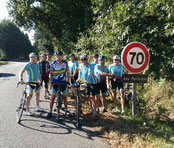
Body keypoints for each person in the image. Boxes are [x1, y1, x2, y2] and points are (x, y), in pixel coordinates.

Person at [47, 51, 70, 118]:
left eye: (59, 57)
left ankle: (66, 109)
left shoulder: (65, 62)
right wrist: (50, 82)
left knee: (65, 97)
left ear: (62, 56)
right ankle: (50, 110)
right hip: (55, 82)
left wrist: (68, 81)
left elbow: (68, 72)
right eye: (57, 57)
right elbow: (50, 74)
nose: (58, 58)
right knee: (53, 97)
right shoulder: (53, 63)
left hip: (63, 82)